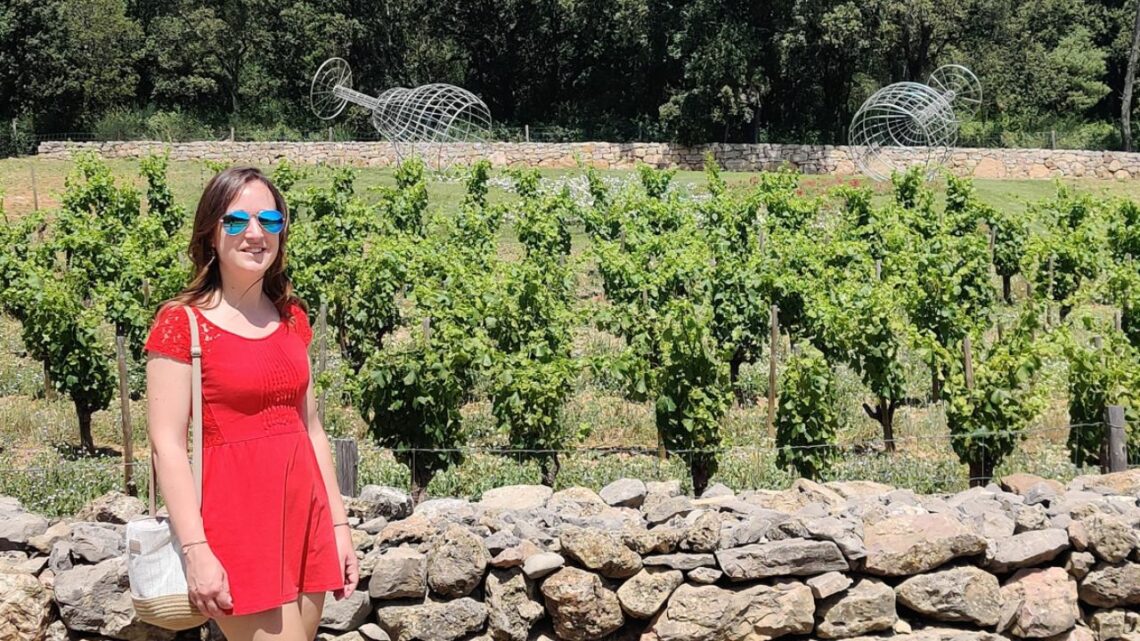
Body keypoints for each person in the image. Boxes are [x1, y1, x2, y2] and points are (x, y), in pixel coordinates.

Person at [144, 166, 359, 641]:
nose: (255, 233)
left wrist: (339, 525)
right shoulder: (182, 324)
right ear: (210, 232)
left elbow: (312, 428)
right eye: (237, 220)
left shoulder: (292, 318)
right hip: (234, 526)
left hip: (304, 519)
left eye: (270, 221)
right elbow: (167, 445)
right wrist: (196, 548)